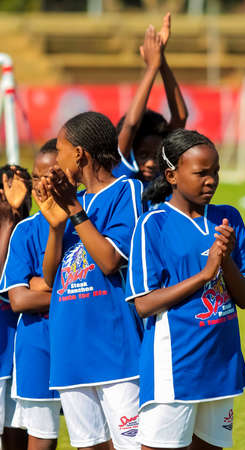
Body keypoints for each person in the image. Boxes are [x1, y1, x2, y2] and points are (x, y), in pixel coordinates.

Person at [126, 129, 245, 450]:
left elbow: (243, 299)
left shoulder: (228, 219)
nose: (211, 180)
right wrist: (203, 275)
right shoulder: (153, 225)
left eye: (215, 172)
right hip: (175, 369)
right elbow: (143, 304)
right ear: (172, 175)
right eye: (201, 173)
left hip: (221, 366)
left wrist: (224, 260)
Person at [34, 111, 143, 450]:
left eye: (62, 150)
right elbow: (51, 279)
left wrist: (74, 210)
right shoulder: (68, 203)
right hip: (69, 348)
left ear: (79, 154)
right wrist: (55, 225)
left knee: (132, 445)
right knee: (90, 446)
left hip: (115, 348)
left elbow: (110, 261)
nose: (57, 158)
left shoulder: (126, 190)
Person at [0, 140, 62, 450]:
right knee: (32, 432)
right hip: (31, 346)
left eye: (46, 176)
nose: (39, 185)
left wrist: (41, 284)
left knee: (94, 433)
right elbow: (19, 299)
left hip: (83, 344)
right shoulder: (23, 231)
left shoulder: (86, 226)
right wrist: (80, 293)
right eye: (35, 178)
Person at [114, 13, 188, 185]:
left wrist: (162, 62)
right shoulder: (121, 169)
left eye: (155, 156)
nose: (150, 163)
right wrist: (152, 67)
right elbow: (131, 126)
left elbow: (180, 118)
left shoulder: (162, 174)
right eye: (143, 155)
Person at [0, 165, 31, 450]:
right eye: (10, 190)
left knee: (19, 435)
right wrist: (8, 222)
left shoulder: (34, 231)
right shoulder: (11, 229)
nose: (19, 198)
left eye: (26, 191)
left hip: (22, 358)